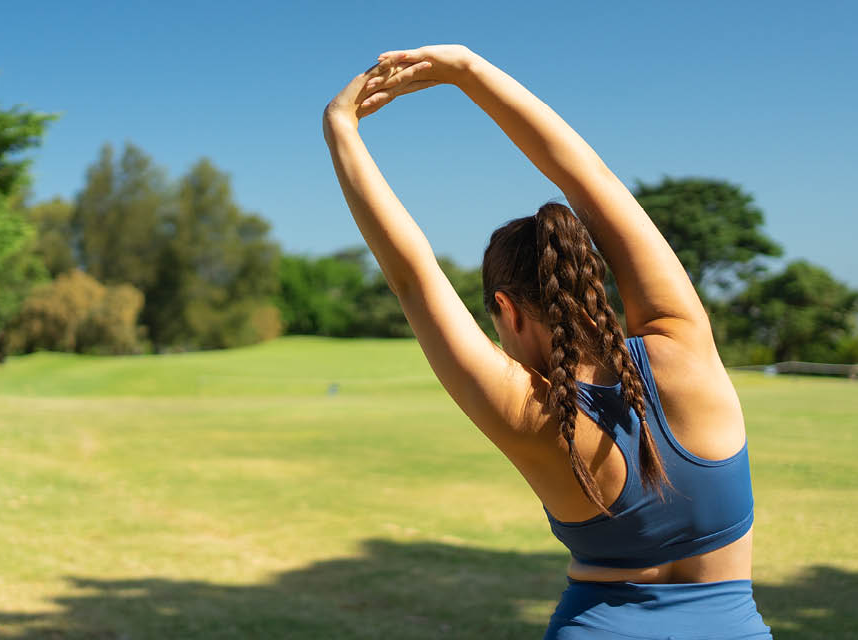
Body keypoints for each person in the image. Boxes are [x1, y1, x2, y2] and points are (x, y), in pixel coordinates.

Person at [322, 45, 773, 639]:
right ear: (592, 281)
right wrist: (468, 70)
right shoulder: (684, 343)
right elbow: (587, 177)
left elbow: (413, 279)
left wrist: (341, 130)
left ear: (505, 309)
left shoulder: (532, 413)